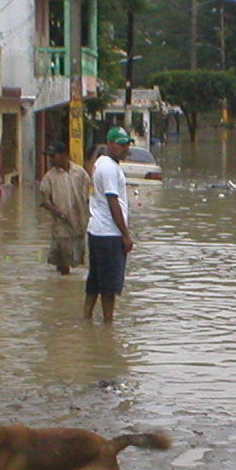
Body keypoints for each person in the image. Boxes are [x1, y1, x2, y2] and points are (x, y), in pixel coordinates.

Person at [83, 127, 134, 324]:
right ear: (110, 144)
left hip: (96, 231)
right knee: (109, 287)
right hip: (109, 234)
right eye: (121, 144)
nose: (125, 148)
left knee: (94, 281)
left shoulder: (101, 163)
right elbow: (113, 202)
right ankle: (108, 324)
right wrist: (126, 235)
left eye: (127, 144)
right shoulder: (110, 168)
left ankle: (87, 318)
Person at [37, 142, 91, 275]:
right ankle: (62, 282)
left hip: (79, 221)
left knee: (76, 256)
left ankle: (65, 283)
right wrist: (57, 212)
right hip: (61, 224)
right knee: (63, 258)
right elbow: (44, 201)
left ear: (64, 156)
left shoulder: (80, 172)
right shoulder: (49, 177)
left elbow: (89, 194)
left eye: (53, 156)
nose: (50, 159)